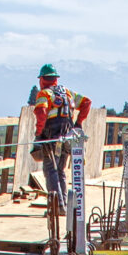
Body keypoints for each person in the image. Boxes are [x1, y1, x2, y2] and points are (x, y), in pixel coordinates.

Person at [26, 63, 92, 213]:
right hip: (68, 135)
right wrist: (78, 123)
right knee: (61, 170)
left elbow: (42, 112)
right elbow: (87, 102)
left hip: (51, 135)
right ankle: (64, 206)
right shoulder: (68, 93)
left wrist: (38, 133)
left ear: (42, 79)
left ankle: (57, 207)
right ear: (55, 79)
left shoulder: (44, 94)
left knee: (50, 170)